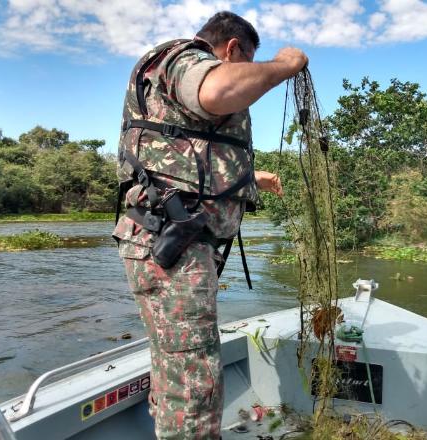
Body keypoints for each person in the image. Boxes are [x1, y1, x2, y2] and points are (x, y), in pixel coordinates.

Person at [113, 11, 307, 439]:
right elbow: (218, 90)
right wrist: (286, 65)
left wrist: (249, 177)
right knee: (194, 378)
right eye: (245, 62)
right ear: (233, 49)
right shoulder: (184, 58)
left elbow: (180, 156)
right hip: (170, 243)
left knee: (178, 365)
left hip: (172, 242)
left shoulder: (170, 79)